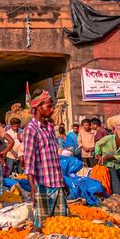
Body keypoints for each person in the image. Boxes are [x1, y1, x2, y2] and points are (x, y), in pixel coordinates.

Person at [23, 90, 68, 230]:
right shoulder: (31, 130)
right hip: (43, 186)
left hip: (57, 184)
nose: (52, 109)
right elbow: (29, 162)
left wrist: (63, 182)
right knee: (43, 226)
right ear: (37, 107)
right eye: (49, 106)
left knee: (61, 226)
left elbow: (54, 158)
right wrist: (32, 188)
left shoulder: (49, 128)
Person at [94, 124, 120, 195]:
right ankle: (116, 197)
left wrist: (111, 157)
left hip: (118, 165)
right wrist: (97, 153)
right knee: (116, 183)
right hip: (107, 164)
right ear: (116, 134)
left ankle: (119, 197)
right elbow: (97, 144)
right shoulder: (108, 138)